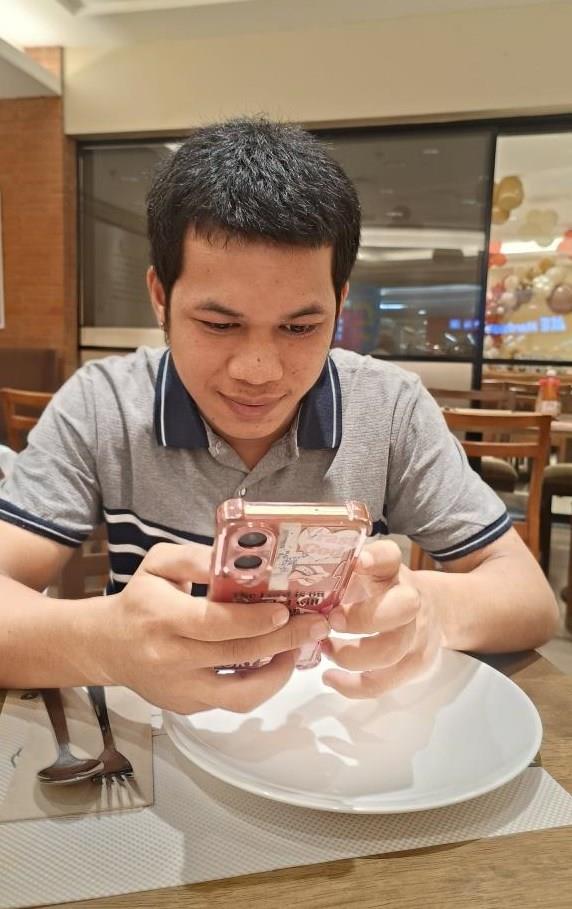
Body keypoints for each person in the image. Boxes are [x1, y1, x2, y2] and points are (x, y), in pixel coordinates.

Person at [0, 118, 558, 714]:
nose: (258, 371)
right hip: (154, 733)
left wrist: (427, 610)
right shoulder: (102, 404)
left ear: (340, 304)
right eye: (219, 324)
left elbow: (529, 599)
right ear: (161, 297)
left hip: (333, 730)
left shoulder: (389, 408)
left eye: (299, 327)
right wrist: (107, 644)